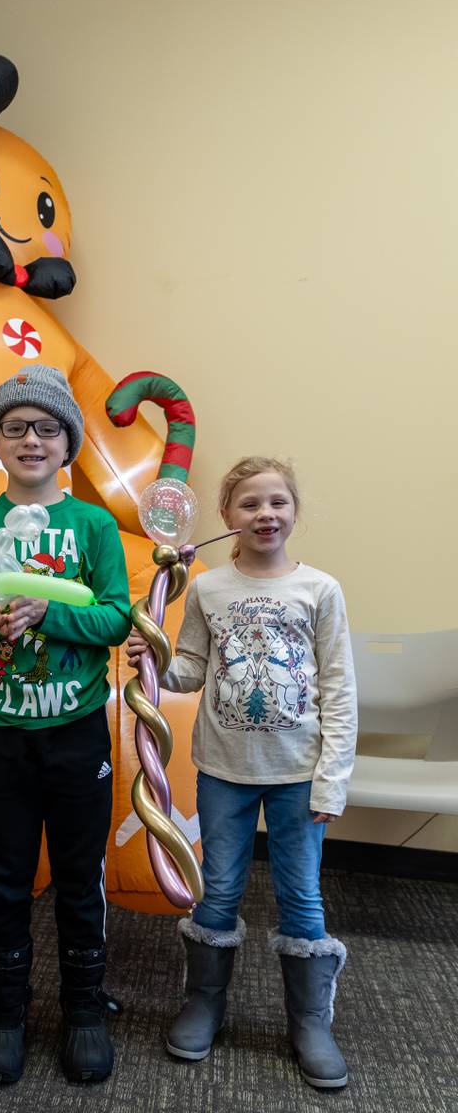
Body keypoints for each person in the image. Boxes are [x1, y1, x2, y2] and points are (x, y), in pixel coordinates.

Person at [0, 364, 131, 1086]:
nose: (32, 440)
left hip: (76, 735)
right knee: (5, 879)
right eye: (15, 428)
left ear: (68, 443)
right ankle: (6, 1014)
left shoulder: (94, 525)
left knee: (79, 876)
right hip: (0, 736)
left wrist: (52, 612)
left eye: (46, 428)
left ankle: (83, 1012)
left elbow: (116, 619)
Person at [127, 456, 357, 1090]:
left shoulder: (320, 590)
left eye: (278, 502)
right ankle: (205, 1003)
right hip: (223, 770)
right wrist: (153, 660)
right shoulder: (206, 588)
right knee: (219, 889)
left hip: (298, 773)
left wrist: (331, 778)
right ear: (227, 517)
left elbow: (339, 689)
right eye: (250, 504)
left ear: (294, 513)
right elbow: (191, 671)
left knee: (301, 898)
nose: (266, 514)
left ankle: (310, 1022)